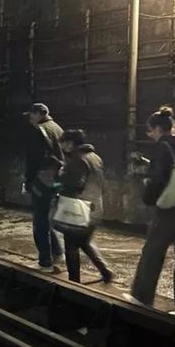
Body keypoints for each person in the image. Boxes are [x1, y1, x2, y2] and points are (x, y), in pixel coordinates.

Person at [128, 106, 175, 322]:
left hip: (169, 208)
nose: (150, 135)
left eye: (150, 131)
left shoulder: (163, 146)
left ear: (157, 129)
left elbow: (160, 179)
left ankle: (141, 298)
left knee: (152, 253)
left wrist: (148, 196)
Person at [55, 129, 113, 283]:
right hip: (95, 206)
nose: (62, 147)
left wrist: (61, 174)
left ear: (70, 143)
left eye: (63, 143)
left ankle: (74, 282)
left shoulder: (77, 160)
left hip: (79, 209)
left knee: (71, 246)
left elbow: (73, 184)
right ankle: (105, 271)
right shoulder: (95, 157)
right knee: (83, 242)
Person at [23, 103, 65, 273]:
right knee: (47, 217)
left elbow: (34, 158)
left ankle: (45, 262)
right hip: (57, 179)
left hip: (42, 180)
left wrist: (28, 180)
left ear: (40, 114)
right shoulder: (57, 128)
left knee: (39, 221)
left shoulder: (38, 130)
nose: (30, 118)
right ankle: (57, 251)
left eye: (32, 115)